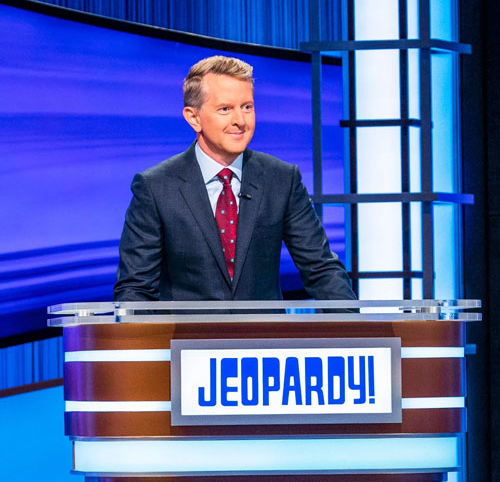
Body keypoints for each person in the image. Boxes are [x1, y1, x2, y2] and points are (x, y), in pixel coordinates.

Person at [114, 55, 355, 303]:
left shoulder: (282, 179)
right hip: (185, 340)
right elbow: (135, 288)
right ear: (193, 117)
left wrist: (357, 334)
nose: (240, 121)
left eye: (247, 107)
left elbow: (322, 269)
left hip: (263, 339)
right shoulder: (156, 187)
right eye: (225, 109)